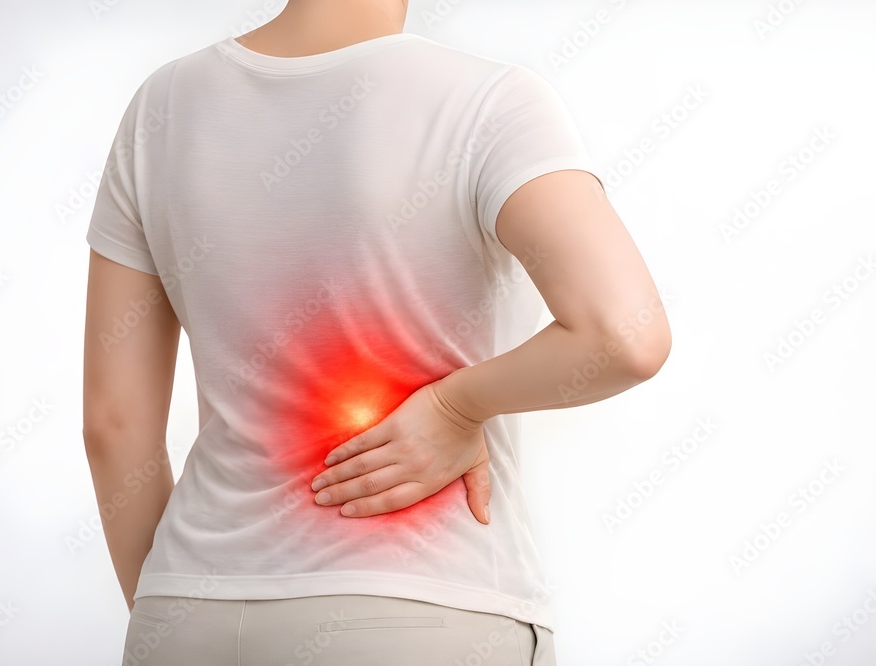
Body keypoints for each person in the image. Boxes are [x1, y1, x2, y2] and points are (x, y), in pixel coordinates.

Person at [82, 0, 671, 664]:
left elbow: (113, 426)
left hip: (188, 615)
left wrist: (173, 609)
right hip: (422, 606)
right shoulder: (491, 100)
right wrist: (455, 406)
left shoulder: (162, 106)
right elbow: (624, 335)